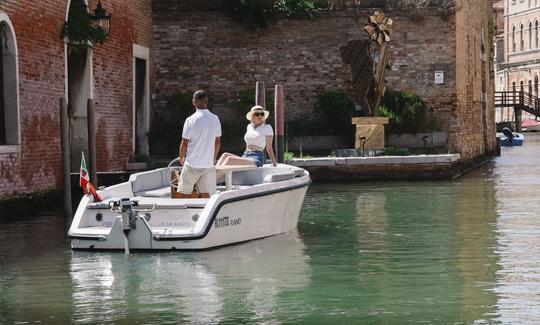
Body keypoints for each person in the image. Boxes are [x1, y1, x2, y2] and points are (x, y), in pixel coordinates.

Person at [177, 90, 221, 198]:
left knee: (184, 193)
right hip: (207, 164)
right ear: (206, 101)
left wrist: (181, 157)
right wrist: (213, 158)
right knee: (205, 194)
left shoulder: (190, 120)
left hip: (192, 163)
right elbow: (217, 141)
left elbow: (184, 142)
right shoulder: (215, 119)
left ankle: (185, 214)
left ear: (193, 102)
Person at [216, 105, 277, 169]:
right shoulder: (249, 127)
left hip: (257, 157)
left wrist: (274, 163)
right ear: (252, 117)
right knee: (225, 155)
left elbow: (269, 148)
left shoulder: (267, 127)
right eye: (257, 114)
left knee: (229, 159)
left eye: (262, 114)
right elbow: (247, 144)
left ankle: (214, 178)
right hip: (245, 155)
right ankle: (213, 175)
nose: (260, 116)